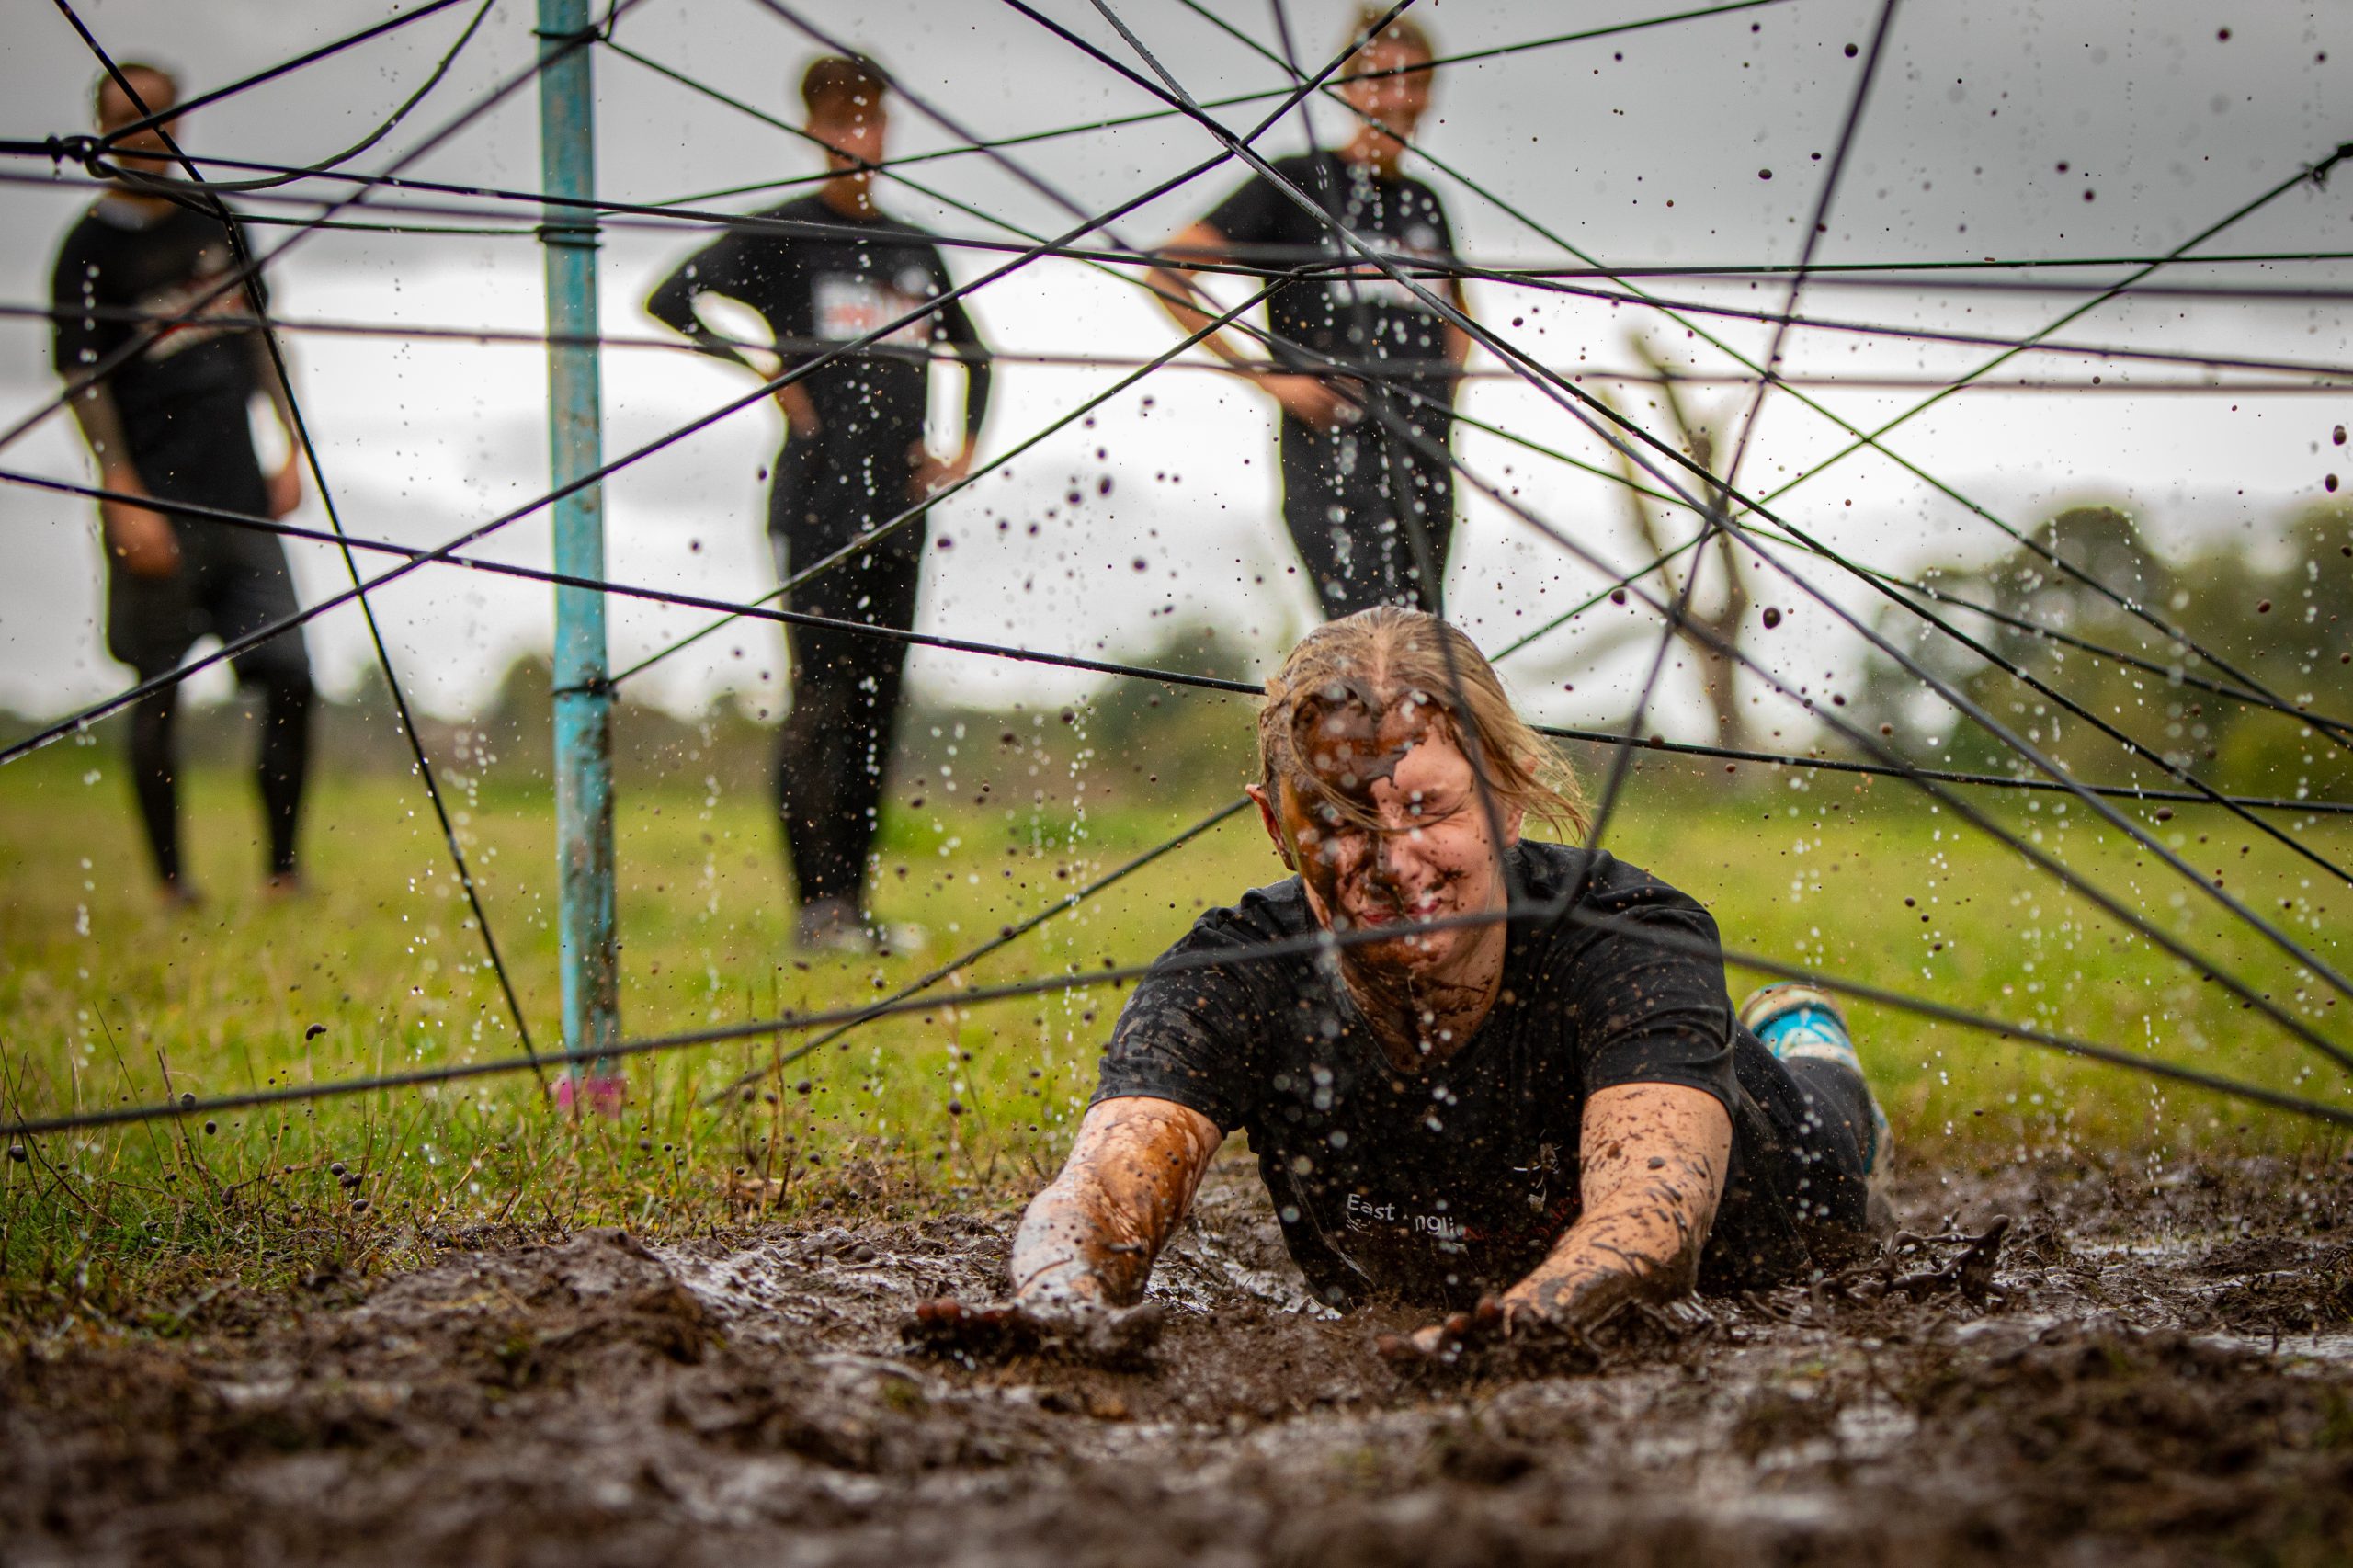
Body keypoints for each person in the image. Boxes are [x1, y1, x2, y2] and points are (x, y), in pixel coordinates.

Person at [919, 608, 1892, 1361]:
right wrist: (1056, 1298)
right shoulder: (1235, 968)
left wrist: (1511, 1328)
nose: (1392, 861)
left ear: (1506, 798)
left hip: (1787, 1184)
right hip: (1469, 1266)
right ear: (1273, 822)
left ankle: (1806, 1035)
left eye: (1427, 807)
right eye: (1339, 817)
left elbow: (1652, 1229)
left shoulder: (1629, 936)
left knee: (1829, 1118)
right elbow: (1099, 1191)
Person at [647, 53, 992, 954]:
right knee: (824, 697)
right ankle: (817, 905)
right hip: (815, 504)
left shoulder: (914, 246)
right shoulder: (782, 234)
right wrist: (763, 370)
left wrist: (957, 452)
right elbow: (670, 298)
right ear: (813, 128)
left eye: (872, 119)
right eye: (842, 120)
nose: (859, 136)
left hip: (900, 509)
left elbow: (976, 355)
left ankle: (858, 900)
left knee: (880, 704)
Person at [51, 62, 313, 906]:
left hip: (243, 498)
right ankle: (171, 886)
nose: (143, 135)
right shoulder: (88, 251)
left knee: (292, 676)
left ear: (179, 124)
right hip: (154, 506)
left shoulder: (219, 222)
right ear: (100, 127)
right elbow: (82, 380)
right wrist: (119, 488)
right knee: (159, 688)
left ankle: (283, 871)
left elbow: (264, 339)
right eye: (125, 119)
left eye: (157, 117)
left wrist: (293, 449)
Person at [1142, 9, 1470, 620]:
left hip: (1423, 458)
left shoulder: (1428, 202)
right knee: (1364, 638)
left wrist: (1443, 395)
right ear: (1350, 87)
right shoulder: (1296, 182)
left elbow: (1459, 316)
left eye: (1414, 80)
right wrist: (1270, 376)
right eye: (1381, 79)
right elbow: (1168, 273)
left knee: (1424, 640)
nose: (1398, 97)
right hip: (1334, 457)